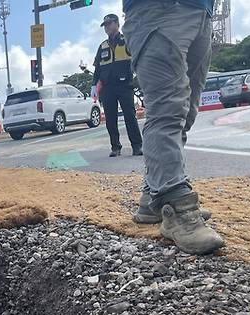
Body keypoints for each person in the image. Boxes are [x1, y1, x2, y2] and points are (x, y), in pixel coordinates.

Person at [123, 0, 224, 255]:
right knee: (167, 109)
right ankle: (176, 208)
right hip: (159, 11)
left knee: (186, 112)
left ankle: (151, 197)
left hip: (201, 11)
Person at [91, 14, 143, 158]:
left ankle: (137, 146)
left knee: (130, 116)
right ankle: (115, 147)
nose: (106, 27)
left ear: (117, 24)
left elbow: (138, 59)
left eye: (109, 24)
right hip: (107, 87)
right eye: (105, 25)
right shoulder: (102, 46)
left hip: (125, 85)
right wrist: (94, 85)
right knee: (110, 119)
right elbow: (98, 68)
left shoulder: (126, 41)